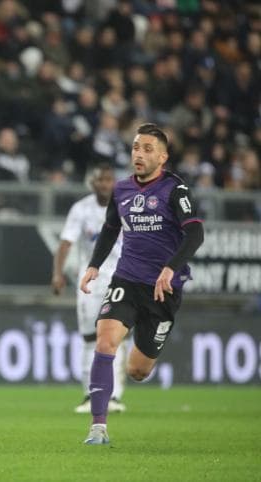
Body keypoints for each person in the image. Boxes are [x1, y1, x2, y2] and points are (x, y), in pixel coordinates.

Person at [80, 123, 204, 445]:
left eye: (148, 149)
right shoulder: (121, 190)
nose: (139, 153)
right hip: (126, 280)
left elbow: (195, 233)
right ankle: (98, 427)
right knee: (104, 341)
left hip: (163, 289)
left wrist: (170, 268)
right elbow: (110, 229)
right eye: (136, 147)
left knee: (138, 370)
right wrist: (95, 265)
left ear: (162, 157)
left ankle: (140, 351)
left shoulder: (175, 190)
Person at [52, 164, 127, 414]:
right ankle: (88, 395)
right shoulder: (81, 209)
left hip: (121, 279)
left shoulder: (126, 206)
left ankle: (113, 396)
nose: (105, 184)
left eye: (109, 179)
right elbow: (65, 243)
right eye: (100, 180)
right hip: (90, 281)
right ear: (92, 183)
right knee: (88, 338)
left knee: (112, 338)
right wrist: (57, 274)